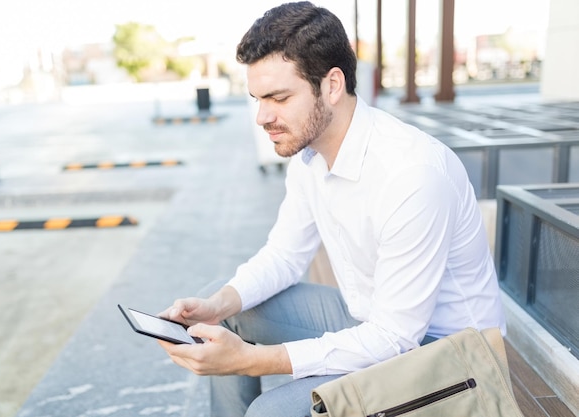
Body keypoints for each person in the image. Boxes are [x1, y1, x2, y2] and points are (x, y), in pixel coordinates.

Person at [157, 2, 506, 416]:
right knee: (230, 311)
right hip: (372, 321)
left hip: (451, 356)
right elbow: (285, 256)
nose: (262, 116)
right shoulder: (310, 155)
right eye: (257, 98)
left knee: (271, 412)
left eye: (279, 97)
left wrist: (250, 359)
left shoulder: (411, 175)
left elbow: (396, 338)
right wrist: (216, 304)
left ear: (332, 85)